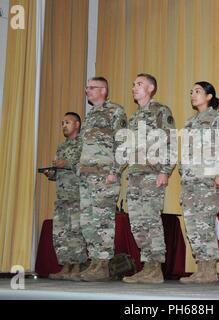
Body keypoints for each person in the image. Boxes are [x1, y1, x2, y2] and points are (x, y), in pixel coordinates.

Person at [122, 73, 176, 284]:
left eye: (139, 84)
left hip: (153, 173)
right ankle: (147, 266)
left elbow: (171, 141)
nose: (134, 87)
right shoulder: (134, 117)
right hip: (135, 175)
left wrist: (165, 171)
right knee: (137, 222)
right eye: (133, 84)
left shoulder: (161, 111)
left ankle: (155, 267)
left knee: (151, 220)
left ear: (151, 88)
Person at [178, 82, 219, 284]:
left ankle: (209, 270)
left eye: (198, 91)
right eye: (191, 91)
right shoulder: (191, 122)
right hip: (191, 180)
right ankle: (201, 268)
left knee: (204, 224)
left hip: (208, 180)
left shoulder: (216, 118)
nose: (193, 94)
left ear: (209, 96)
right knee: (193, 226)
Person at [78, 76, 127, 281]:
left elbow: (123, 145)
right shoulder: (90, 116)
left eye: (92, 87)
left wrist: (114, 172)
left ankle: (104, 264)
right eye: (87, 87)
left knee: (102, 221)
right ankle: (95, 262)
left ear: (104, 90)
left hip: (104, 176)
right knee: (87, 221)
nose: (87, 90)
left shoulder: (115, 111)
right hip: (86, 177)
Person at [45, 112, 88, 281]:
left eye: (67, 122)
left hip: (77, 194)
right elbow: (59, 171)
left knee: (76, 230)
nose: (64, 125)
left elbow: (87, 167)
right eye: (62, 123)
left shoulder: (84, 144)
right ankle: (65, 265)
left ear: (77, 124)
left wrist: (68, 163)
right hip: (62, 195)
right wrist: (51, 173)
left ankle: (78, 266)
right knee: (61, 232)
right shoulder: (61, 147)